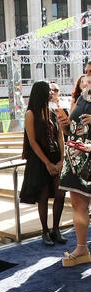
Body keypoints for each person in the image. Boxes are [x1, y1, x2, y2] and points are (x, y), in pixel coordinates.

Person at [20, 81, 67, 246]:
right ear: (41, 92)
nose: (51, 93)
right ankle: (45, 231)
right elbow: (32, 142)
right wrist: (47, 163)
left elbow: (60, 137)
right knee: (43, 196)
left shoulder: (53, 112)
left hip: (56, 158)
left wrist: (62, 159)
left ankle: (56, 229)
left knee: (60, 194)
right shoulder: (30, 114)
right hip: (40, 161)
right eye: (49, 90)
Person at [59, 72, 91, 267]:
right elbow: (73, 129)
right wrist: (64, 125)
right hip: (77, 158)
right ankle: (82, 248)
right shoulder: (84, 95)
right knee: (77, 202)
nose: (88, 75)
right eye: (87, 72)